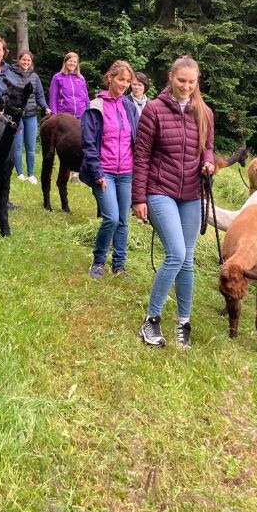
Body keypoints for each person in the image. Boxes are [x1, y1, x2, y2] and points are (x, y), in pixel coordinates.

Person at [132, 56, 215, 349]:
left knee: (187, 259)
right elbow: (141, 156)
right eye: (181, 80)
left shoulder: (204, 112)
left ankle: (183, 322)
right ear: (170, 77)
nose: (186, 86)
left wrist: (208, 163)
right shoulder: (154, 110)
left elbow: (208, 147)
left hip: (191, 193)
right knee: (176, 254)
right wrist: (138, 198)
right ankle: (151, 320)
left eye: (192, 82)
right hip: (159, 191)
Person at [80, 60, 138, 279]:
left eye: (128, 81)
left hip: (127, 173)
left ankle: (119, 265)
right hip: (104, 172)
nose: (124, 84)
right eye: (121, 79)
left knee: (123, 220)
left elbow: (137, 139)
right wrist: (97, 173)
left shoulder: (129, 107)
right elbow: (88, 144)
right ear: (110, 78)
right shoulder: (95, 107)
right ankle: (98, 261)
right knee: (111, 218)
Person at [9, 49, 50, 184]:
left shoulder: (35, 77)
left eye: (28, 60)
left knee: (31, 147)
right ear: (19, 60)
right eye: (24, 59)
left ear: (31, 62)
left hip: (31, 115)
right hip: (17, 116)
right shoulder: (11, 74)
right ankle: (20, 173)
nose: (26, 62)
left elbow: (40, 95)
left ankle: (31, 174)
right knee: (18, 146)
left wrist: (45, 107)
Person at [49, 51, 90, 119]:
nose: (72, 63)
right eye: (70, 61)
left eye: (75, 62)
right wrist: (54, 115)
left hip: (81, 115)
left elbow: (86, 98)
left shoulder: (81, 78)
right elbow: (53, 98)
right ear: (65, 62)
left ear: (77, 64)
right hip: (64, 116)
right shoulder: (57, 77)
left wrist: (88, 113)